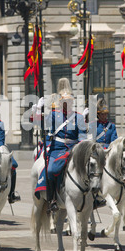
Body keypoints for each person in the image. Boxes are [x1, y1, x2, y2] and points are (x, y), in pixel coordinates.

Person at [37, 78, 87, 212]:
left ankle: (93, 197)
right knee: (51, 170)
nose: (67, 104)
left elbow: (82, 135)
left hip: (74, 149)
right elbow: (44, 128)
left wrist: (81, 146)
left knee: (90, 169)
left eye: (69, 102)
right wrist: (38, 111)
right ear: (61, 103)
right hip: (57, 149)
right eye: (65, 102)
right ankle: (52, 199)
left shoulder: (79, 117)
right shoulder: (54, 115)